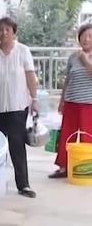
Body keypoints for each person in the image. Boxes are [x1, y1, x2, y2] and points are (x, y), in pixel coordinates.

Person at [0, 17, 37, 197]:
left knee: (16, 144)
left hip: (17, 106)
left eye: (7, 30)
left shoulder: (23, 51)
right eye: (1, 30)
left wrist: (34, 98)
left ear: (14, 32)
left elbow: (30, 76)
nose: (4, 33)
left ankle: (23, 185)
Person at [50, 23, 92, 179]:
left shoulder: (84, 57)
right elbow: (68, 80)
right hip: (71, 102)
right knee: (67, 135)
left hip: (89, 104)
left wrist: (85, 60)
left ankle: (87, 168)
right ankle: (63, 167)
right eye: (84, 36)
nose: (86, 39)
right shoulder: (73, 57)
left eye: (90, 36)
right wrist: (62, 100)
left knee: (88, 136)